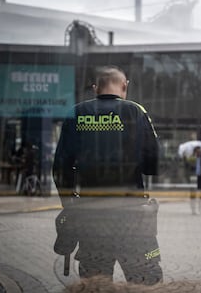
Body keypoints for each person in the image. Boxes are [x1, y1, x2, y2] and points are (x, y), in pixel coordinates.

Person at [52, 66, 162, 285]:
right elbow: (153, 164)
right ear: (124, 86)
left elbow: (61, 167)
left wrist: (71, 203)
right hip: (131, 215)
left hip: (91, 215)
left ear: (95, 89)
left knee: (94, 283)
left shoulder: (77, 113)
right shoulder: (135, 111)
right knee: (145, 279)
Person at [190, 146, 201, 215]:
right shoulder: (191, 158)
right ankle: (193, 210)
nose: (199, 153)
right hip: (193, 177)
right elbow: (188, 166)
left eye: (200, 151)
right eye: (198, 151)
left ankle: (200, 209)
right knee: (193, 194)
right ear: (195, 152)